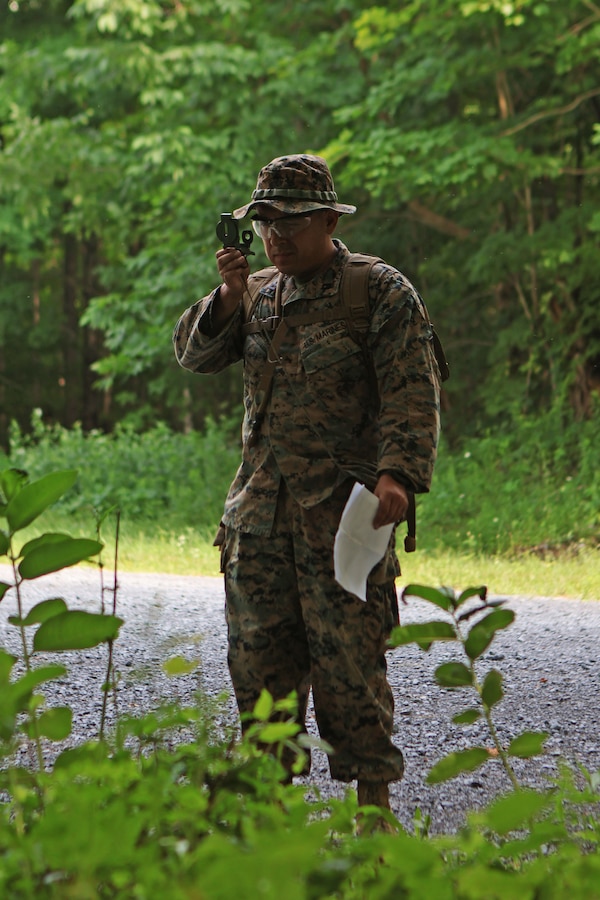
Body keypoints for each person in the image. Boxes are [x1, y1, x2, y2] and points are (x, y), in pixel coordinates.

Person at [173, 154, 441, 817]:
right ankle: (266, 824)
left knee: (353, 675)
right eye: (264, 222)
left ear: (328, 218)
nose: (276, 237)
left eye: (290, 222)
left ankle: (374, 822)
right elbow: (193, 354)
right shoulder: (258, 293)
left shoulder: (376, 291)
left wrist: (397, 476)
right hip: (257, 524)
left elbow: (413, 389)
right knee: (259, 677)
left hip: (341, 524)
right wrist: (228, 299)